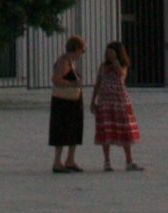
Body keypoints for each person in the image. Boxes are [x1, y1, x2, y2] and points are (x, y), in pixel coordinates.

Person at [91, 40, 142, 172]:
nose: (109, 55)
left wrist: (115, 61)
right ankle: (107, 161)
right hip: (105, 101)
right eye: (107, 53)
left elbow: (121, 74)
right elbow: (98, 83)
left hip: (120, 101)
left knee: (125, 130)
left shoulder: (122, 65)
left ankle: (129, 160)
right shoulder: (103, 67)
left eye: (112, 53)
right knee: (106, 130)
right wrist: (93, 101)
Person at [49, 35, 87, 172]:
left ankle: (70, 159)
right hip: (64, 102)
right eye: (82, 50)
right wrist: (72, 84)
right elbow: (56, 79)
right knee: (61, 130)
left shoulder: (70, 61)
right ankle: (57, 162)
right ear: (76, 49)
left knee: (73, 129)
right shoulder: (64, 61)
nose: (82, 54)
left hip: (72, 102)